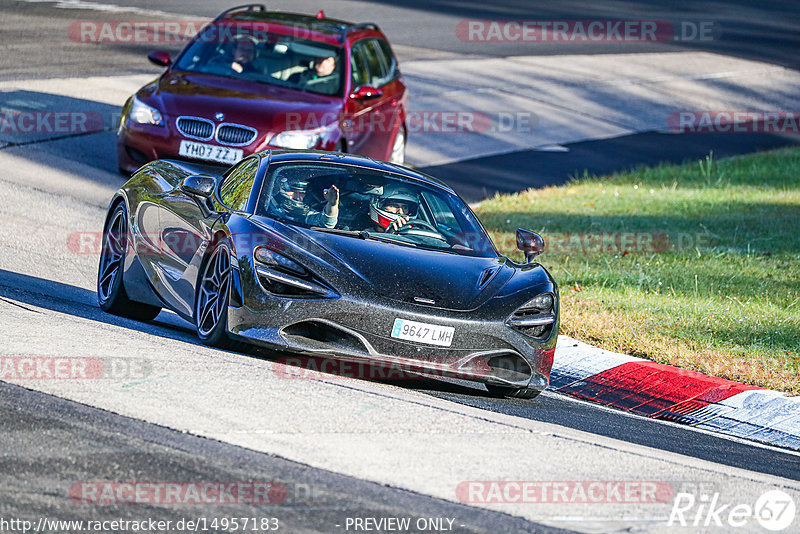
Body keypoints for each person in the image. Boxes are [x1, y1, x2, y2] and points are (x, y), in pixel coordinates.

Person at [273, 176, 339, 228]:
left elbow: (326, 223)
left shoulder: (304, 214)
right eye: (292, 193)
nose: (298, 198)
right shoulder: (267, 206)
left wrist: (332, 204)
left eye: (302, 194)